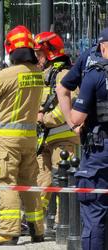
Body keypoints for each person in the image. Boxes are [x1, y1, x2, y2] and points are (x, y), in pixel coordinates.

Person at [0, 25, 45, 245]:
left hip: (7, 141)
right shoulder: (37, 73)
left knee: (6, 183)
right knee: (29, 183)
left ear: (11, 49)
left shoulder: (6, 75)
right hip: (29, 137)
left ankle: (9, 232)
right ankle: (37, 229)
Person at [33, 32, 80, 228]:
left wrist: (45, 119)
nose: (37, 58)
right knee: (42, 180)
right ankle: (37, 221)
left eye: (39, 53)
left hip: (62, 139)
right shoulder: (47, 74)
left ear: (50, 52)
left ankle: (64, 225)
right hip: (45, 138)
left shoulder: (64, 74)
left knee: (63, 182)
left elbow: (68, 106)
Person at [69, 27, 108, 250]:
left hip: (100, 152)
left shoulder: (95, 75)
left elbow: (76, 117)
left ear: (102, 47)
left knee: (95, 215)